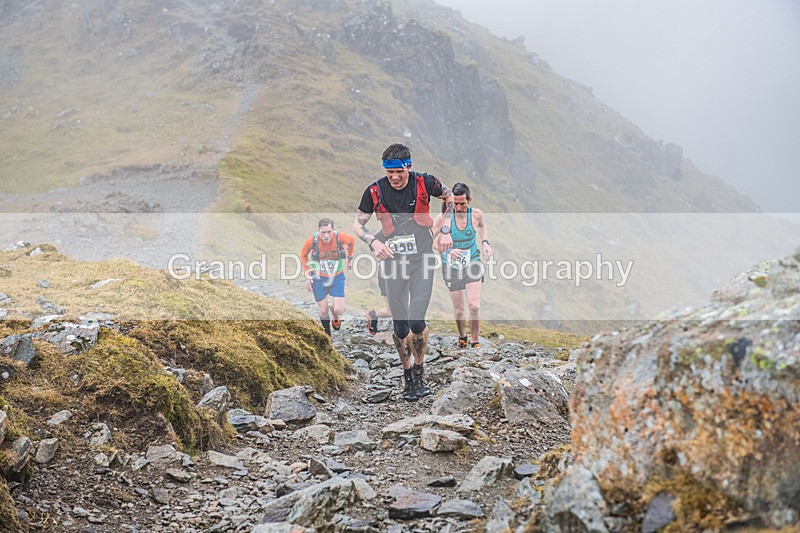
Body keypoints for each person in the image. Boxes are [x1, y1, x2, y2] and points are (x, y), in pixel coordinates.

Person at [353, 143, 453, 401]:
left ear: (408, 166)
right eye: (390, 173)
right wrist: (372, 242)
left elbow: (449, 196)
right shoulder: (374, 191)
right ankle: (407, 376)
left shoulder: (425, 182)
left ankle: (420, 372)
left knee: (417, 321)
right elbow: (358, 223)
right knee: (399, 327)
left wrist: (444, 230)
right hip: (392, 263)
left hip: (421, 260)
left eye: (399, 171)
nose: (395, 177)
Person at [432, 182, 493, 348]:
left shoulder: (476, 215)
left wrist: (485, 243)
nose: (458, 208)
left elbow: (482, 226)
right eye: (455, 203)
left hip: (472, 261)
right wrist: (446, 251)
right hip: (451, 267)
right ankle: (462, 336)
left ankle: (475, 341)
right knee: (459, 310)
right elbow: (429, 239)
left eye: (462, 204)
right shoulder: (444, 218)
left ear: (469, 200)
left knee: (474, 305)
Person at [300, 218, 355, 337]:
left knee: (339, 310)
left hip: (337, 277)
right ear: (318, 231)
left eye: (329, 232)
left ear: (333, 231)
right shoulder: (312, 240)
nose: (326, 235)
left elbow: (351, 241)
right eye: (323, 232)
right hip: (318, 278)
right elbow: (303, 254)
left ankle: (335, 314)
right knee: (323, 310)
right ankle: (327, 335)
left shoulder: (340, 237)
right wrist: (307, 275)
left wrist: (350, 259)